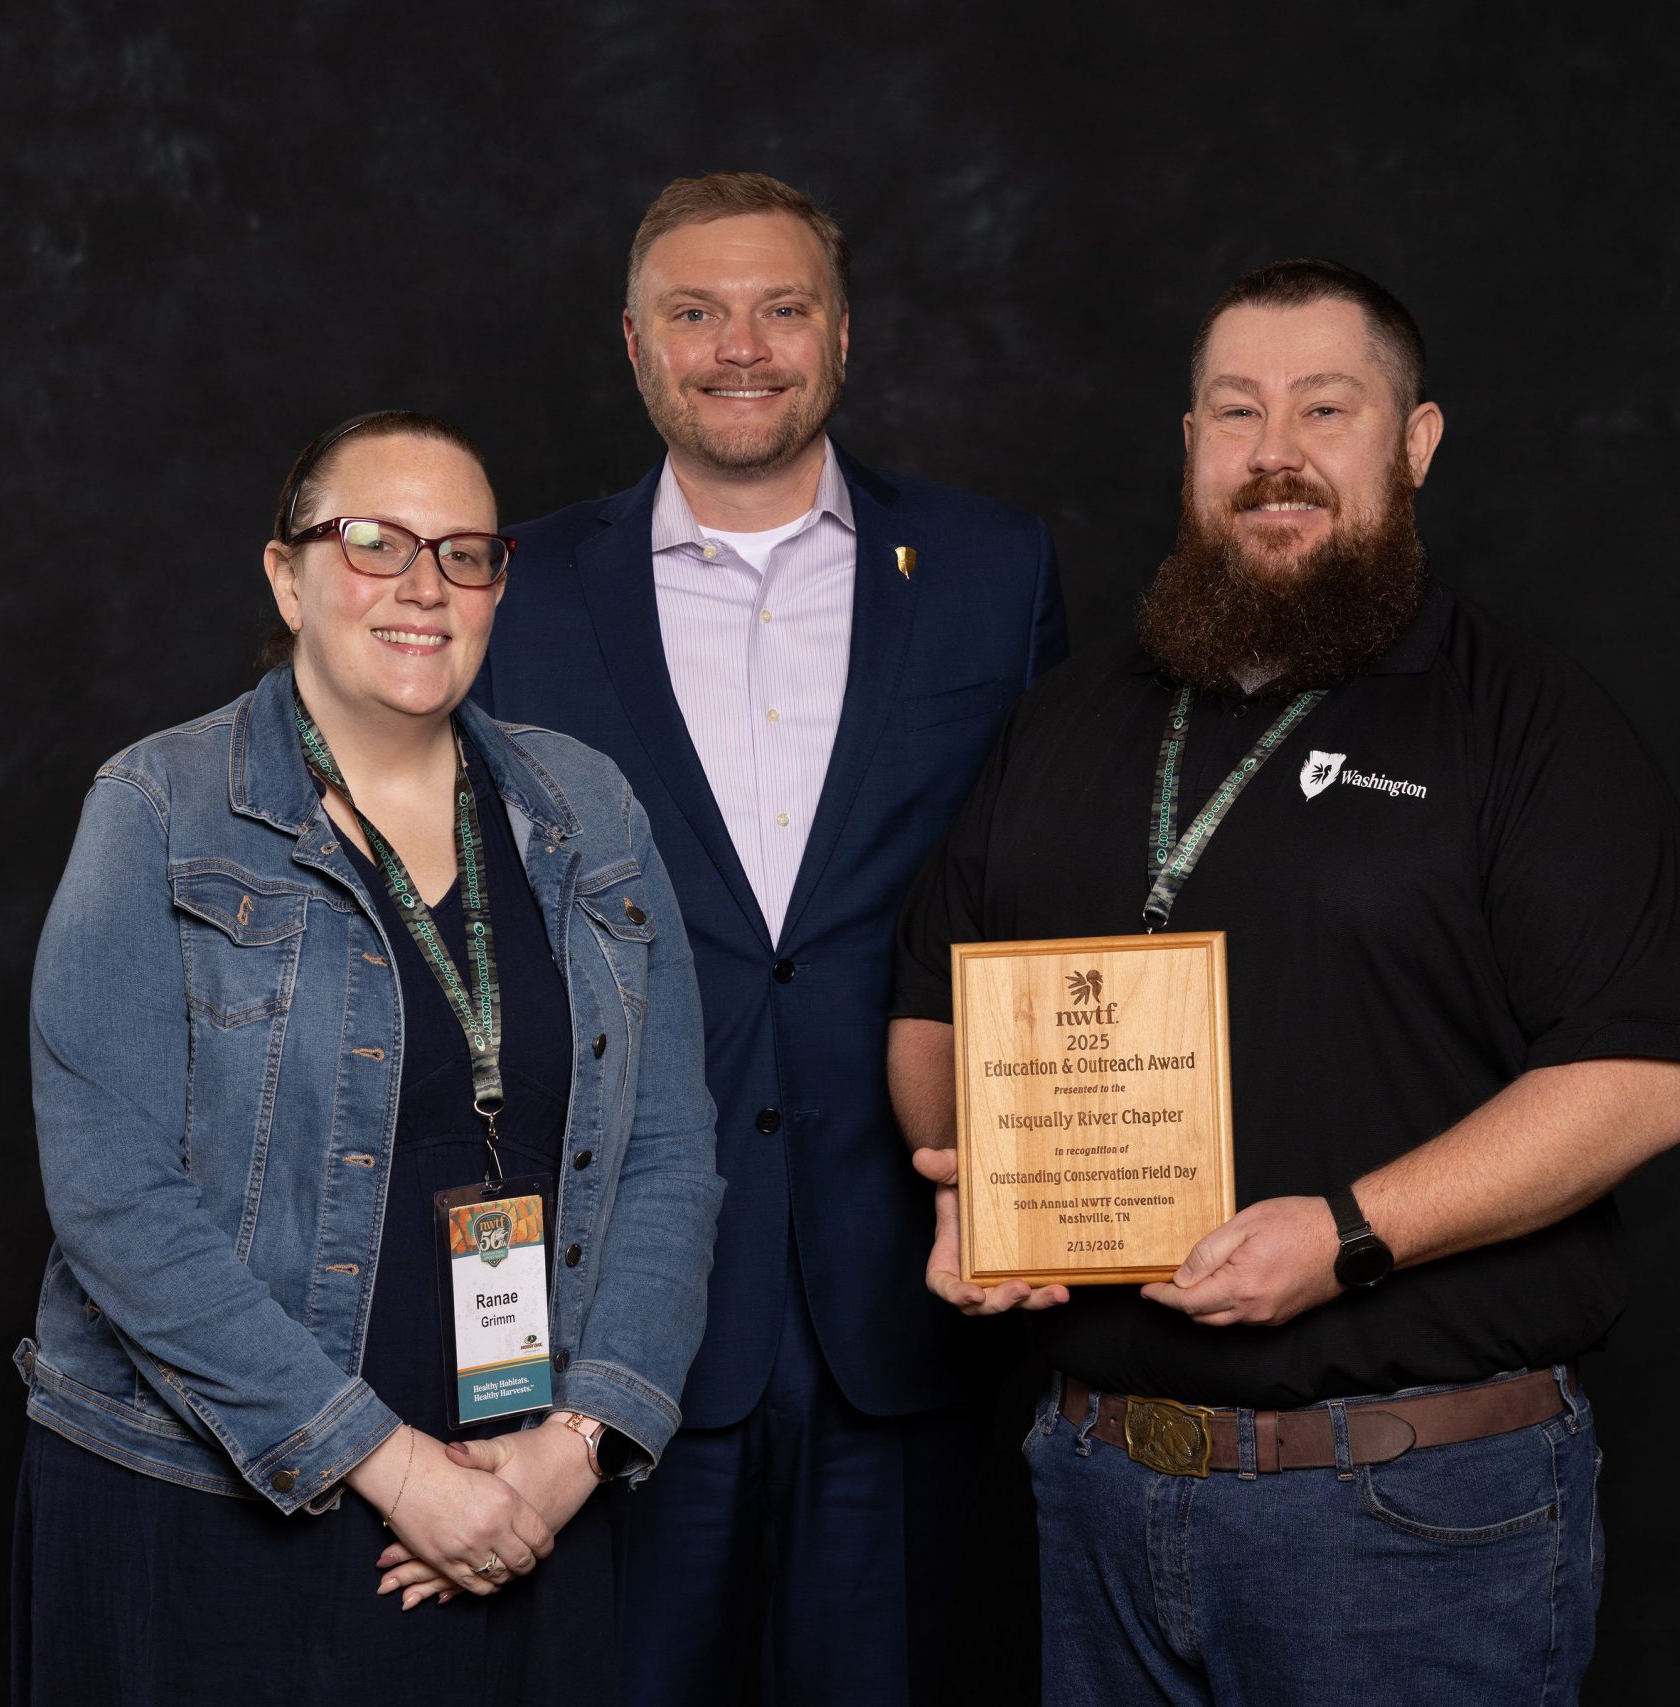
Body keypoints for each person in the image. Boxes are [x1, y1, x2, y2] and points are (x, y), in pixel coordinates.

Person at [889, 260, 1680, 1705]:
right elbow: (931, 1010)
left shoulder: (1527, 725)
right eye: (1238, 412)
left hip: (1406, 1512)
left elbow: (1652, 1072)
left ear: (1415, 443)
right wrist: (972, 1180)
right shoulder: (1068, 718)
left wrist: (1349, 1234)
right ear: (1191, 445)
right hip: (1097, 1492)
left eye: (1325, 409)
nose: (1275, 450)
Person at [10, 411, 724, 1705]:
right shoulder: (159, 809)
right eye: (373, 543)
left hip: (520, 1497)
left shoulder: (589, 810)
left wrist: (571, 1453)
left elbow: (671, 1156)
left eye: (464, 554)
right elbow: (114, 1199)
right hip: (214, 1498)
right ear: (286, 577)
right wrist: (390, 1468)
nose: (422, 586)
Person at [475, 172, 1067, 1703]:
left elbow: (1049, 898)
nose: (740, 346)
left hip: (917, 1295)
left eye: (781, 307)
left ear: (843, 335)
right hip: (615, 1322)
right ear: (634, 343)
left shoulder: (995, 572)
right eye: (696, 312)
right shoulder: (512, 591)